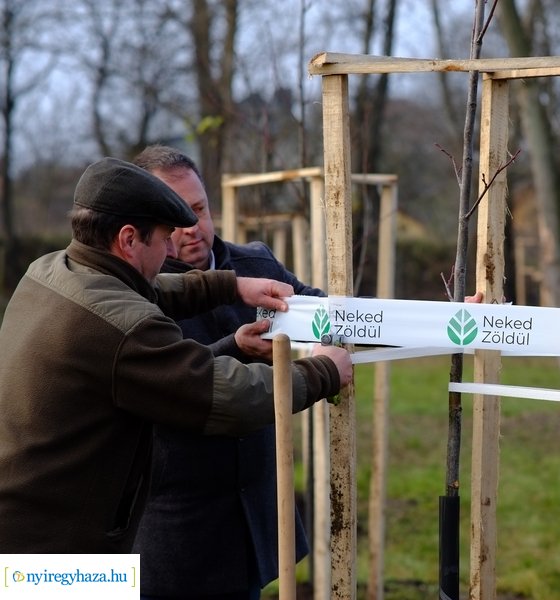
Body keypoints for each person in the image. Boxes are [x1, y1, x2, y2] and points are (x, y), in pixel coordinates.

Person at [0, 157, 352, 554]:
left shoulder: (51, 271)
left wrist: (231, 286)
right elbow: (227, 395)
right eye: (164, 238)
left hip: (28, 527)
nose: (173, 247)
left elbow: (147, 290)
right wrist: (323, 371)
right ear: (129, 239)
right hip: (59, 553)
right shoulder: (122, 330)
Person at [130, 144, 322, 600]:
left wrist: (446, 321)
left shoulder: (256, 265)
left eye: (198, 209)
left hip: (253, 519)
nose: (192, 229)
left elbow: (336, 316)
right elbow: (170, 384)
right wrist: (232, 348)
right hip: (174, 531)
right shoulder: (132, 293)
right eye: (175, 220)